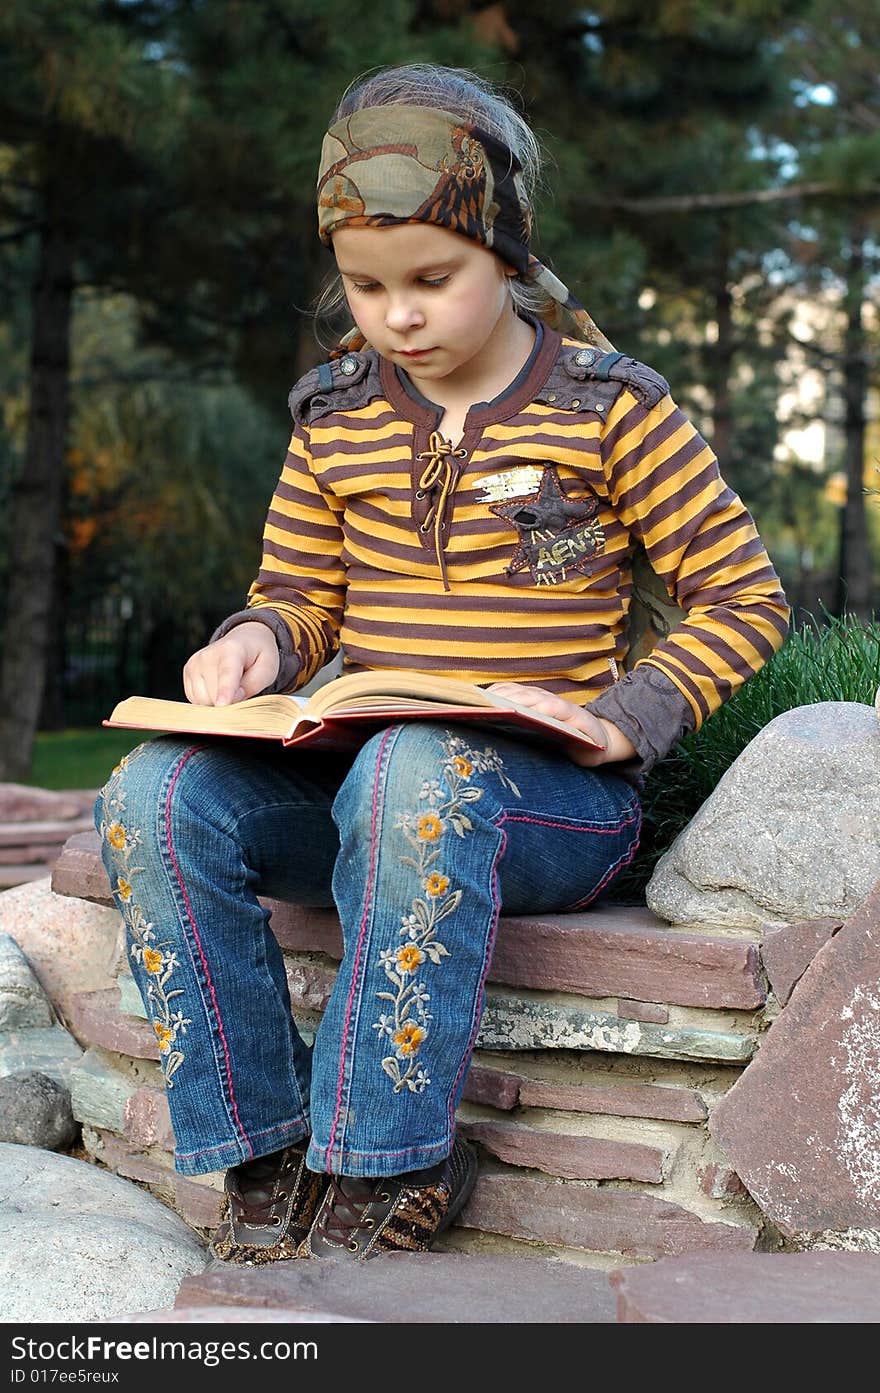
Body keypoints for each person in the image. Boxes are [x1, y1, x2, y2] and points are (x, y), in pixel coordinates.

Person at [96, 63, 789, 1266]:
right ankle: (260, 1150)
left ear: (506, 254)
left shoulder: (607, 408)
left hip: (549, 805)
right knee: (155, 794)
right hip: (360, 784)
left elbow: (743, 597)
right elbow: (297, 597)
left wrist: (620, 718)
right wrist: (251, 645)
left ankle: (391, 1160)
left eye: (432, 280)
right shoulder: (336, 414)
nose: (398, 315)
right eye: (365, 288)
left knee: (419, 770)